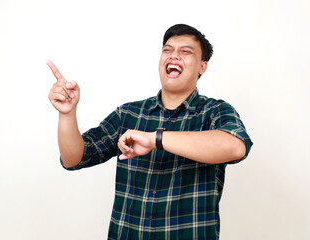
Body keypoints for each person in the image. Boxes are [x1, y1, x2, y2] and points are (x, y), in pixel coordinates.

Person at [47, 24, 253, 240]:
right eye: (167, 50)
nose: (174, 56)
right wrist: (67, 114)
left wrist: (156, 139)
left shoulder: (214, 111)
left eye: (185, 52)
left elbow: (236, 146)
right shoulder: (128, 114)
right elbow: (73, 158)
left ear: (202, 66)